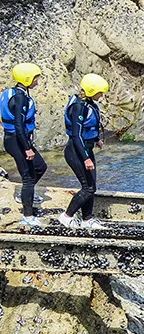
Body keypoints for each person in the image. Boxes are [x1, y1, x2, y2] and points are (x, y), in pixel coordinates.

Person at [58, 74, 109, 229]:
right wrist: (86, 158)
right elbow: (76, 135)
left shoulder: (89, 103)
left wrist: (95, 140)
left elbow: (89, 129)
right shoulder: (78, 107)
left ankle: (87, 219)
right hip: (75, 152)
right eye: (100, 92)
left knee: (91, 185)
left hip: (86, 149)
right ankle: (66, 216)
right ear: (91, 91)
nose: (102, 96)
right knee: (88, 187)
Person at [2, 63, 47, 227]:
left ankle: (24, 195)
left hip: (17, 139)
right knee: (28, 177)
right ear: (27, 79)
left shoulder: (14, 92)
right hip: (17, 140)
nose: (37, 82)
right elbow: (19, 125)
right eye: (35, 79)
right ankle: (28, 216)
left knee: (40, 166)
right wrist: (27, 148)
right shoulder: (19, 98)